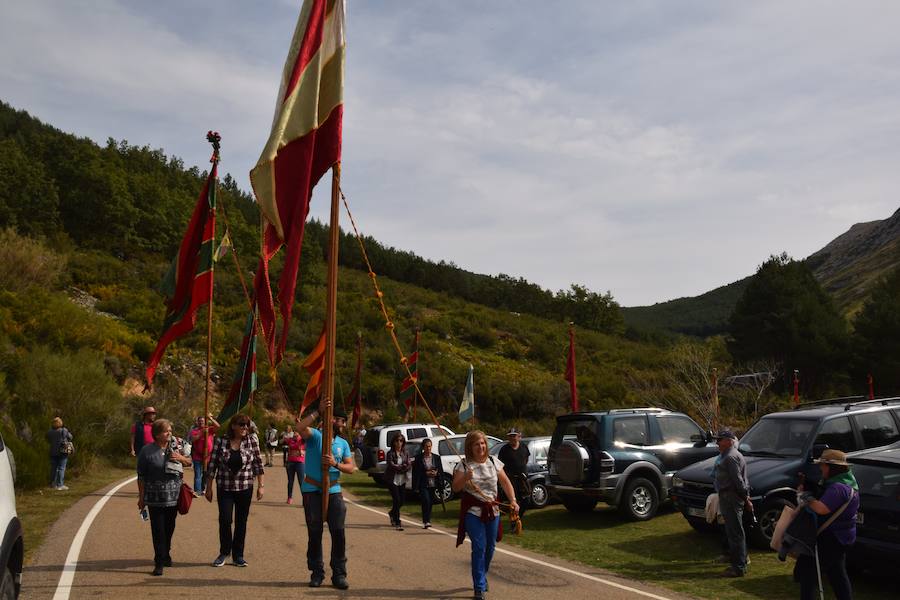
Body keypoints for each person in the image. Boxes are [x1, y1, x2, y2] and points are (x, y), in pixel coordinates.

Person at [453, 430, 519, 600]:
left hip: (493, 511)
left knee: (490, 547)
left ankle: (482, 575)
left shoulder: (493, 462)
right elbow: (455, 488)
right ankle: (479, 587)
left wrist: (513, 500)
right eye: (476, 444)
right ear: (470, 447)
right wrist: (465, 478)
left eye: (482, 443)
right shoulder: (464, 465)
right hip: (473, 513)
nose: (481, 446)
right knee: (479, 547)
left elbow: (505, 482)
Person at [296, 400, 355, 590]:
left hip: (334, 490)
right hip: (312, 490)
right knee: (315, 533)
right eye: (337, 419)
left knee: (338, 532)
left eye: (343, 421)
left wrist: (335, 464)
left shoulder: (343, 443)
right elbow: (299, 427)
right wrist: (317, 413)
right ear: (330, 420)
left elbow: (350, 468)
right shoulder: (316, 436)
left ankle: (339, 573)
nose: (341, 423)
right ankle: (317, 572)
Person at [794, 449, 859, 600]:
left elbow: (822, 509)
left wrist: (805, 497)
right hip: (842, 537)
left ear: (831, 467)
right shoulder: (847, 483)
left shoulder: (838, 488)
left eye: (823, 465)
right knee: (837, 573)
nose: (820, 468)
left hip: (833, 538)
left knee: (808, 573)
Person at [205, 414, 265, 568]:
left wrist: (261, 486)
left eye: (247, 424)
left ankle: (238, 555)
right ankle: (224, 552)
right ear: (233, 426)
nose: (245, 427)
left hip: (245, 487)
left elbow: (258, 464)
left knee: (241, 522)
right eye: (241, 424)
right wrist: (209, 487)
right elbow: (212, 465)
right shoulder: (221, 441)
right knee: (225, 520)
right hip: (225, 487)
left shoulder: (252, 441)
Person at [136, 418, 191, 576]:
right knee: (158, 530)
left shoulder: (177, 447)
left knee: (169, 528)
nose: (169, 433)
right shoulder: (146, 451)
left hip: (173, 497)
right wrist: (141, 498)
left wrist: (180, 458)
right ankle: (159, 561)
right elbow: (141, 476)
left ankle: (166, 553)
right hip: (154, 499)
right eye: (166, 431)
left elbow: (190, 462)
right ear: (157, 434)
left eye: (170, 430)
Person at [713, 429, 751, 578]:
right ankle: (738, 562)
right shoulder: (728, 455)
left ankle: (739, 567)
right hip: (728, 497)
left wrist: (746, 499)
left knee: (735, 533)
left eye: (720, 440)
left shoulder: (730, 457)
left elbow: (739, 481)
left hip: (731, 498)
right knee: (733, 532)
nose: (717, 442)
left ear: (729, 441)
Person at [412, 438, 444, 528]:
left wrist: (436, 473)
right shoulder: (419, 458)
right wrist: (425, 473)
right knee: (425, 500)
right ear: (423, 447)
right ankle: (426, 521)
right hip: (423, 483)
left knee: (430, 502)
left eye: (429, 446)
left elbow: (440, 470)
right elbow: (416, 472)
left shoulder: (436, 457)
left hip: (433, 483)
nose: (428, 448)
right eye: (426, 447)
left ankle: (428, 519)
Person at [498, 428, 530, 517]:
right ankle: (514, 522)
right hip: (511, 480)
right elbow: (500, 465)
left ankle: (519, 517)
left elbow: (526, 459)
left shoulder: (523, 446)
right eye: (510, 436)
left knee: (526, 499)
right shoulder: (504, 449)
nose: (512, 438)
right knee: (513, 501)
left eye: (514, 436)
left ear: (519, 436)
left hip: (522, 478)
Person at [384, 432, 410, 530]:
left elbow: (408, 464)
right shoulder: (390, 453)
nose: (399, 443)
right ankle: (397, 521)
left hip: (402, 479)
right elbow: (391, 465)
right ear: (394, 442)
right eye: (397, 441)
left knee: (402, 501)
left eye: (401, 441)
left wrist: (404, 467)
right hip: (392, 479)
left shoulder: (405, 453)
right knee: (397, 499)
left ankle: (392, 513)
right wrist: (401, 467)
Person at [189, 414, 219, 495]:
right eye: (200, 421)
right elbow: (193, 439)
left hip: (208, 456)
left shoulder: (210, 429)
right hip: (197, 456)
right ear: (197, 422)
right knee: (198, 474)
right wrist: (201, 433)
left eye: (202, 421)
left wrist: (210, 418)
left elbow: (218, 426)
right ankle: (197, 491)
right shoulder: (194, 431)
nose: (201, 422)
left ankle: (203, 488)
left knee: (206, 474)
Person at [46, 417, 73, 491]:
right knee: (61, 468)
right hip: (62, 452)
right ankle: (60, 485)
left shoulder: (50, 432)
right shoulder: (64, 430)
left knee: (53, 468)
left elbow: (47, 439)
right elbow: (70, 437)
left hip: (53, 452)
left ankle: (52, 484)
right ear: (60, 423)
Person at [285, 429, 306, 505]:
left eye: (297, 431)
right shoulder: (290, 440)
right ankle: (289, 497)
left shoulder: (302, 440)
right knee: (290, 481)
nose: (295, 433)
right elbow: (283, 440)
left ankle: (305, 499)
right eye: (294, 431)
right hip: (290, 462)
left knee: (301, 481)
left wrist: (302, 452)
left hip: (300, 463)